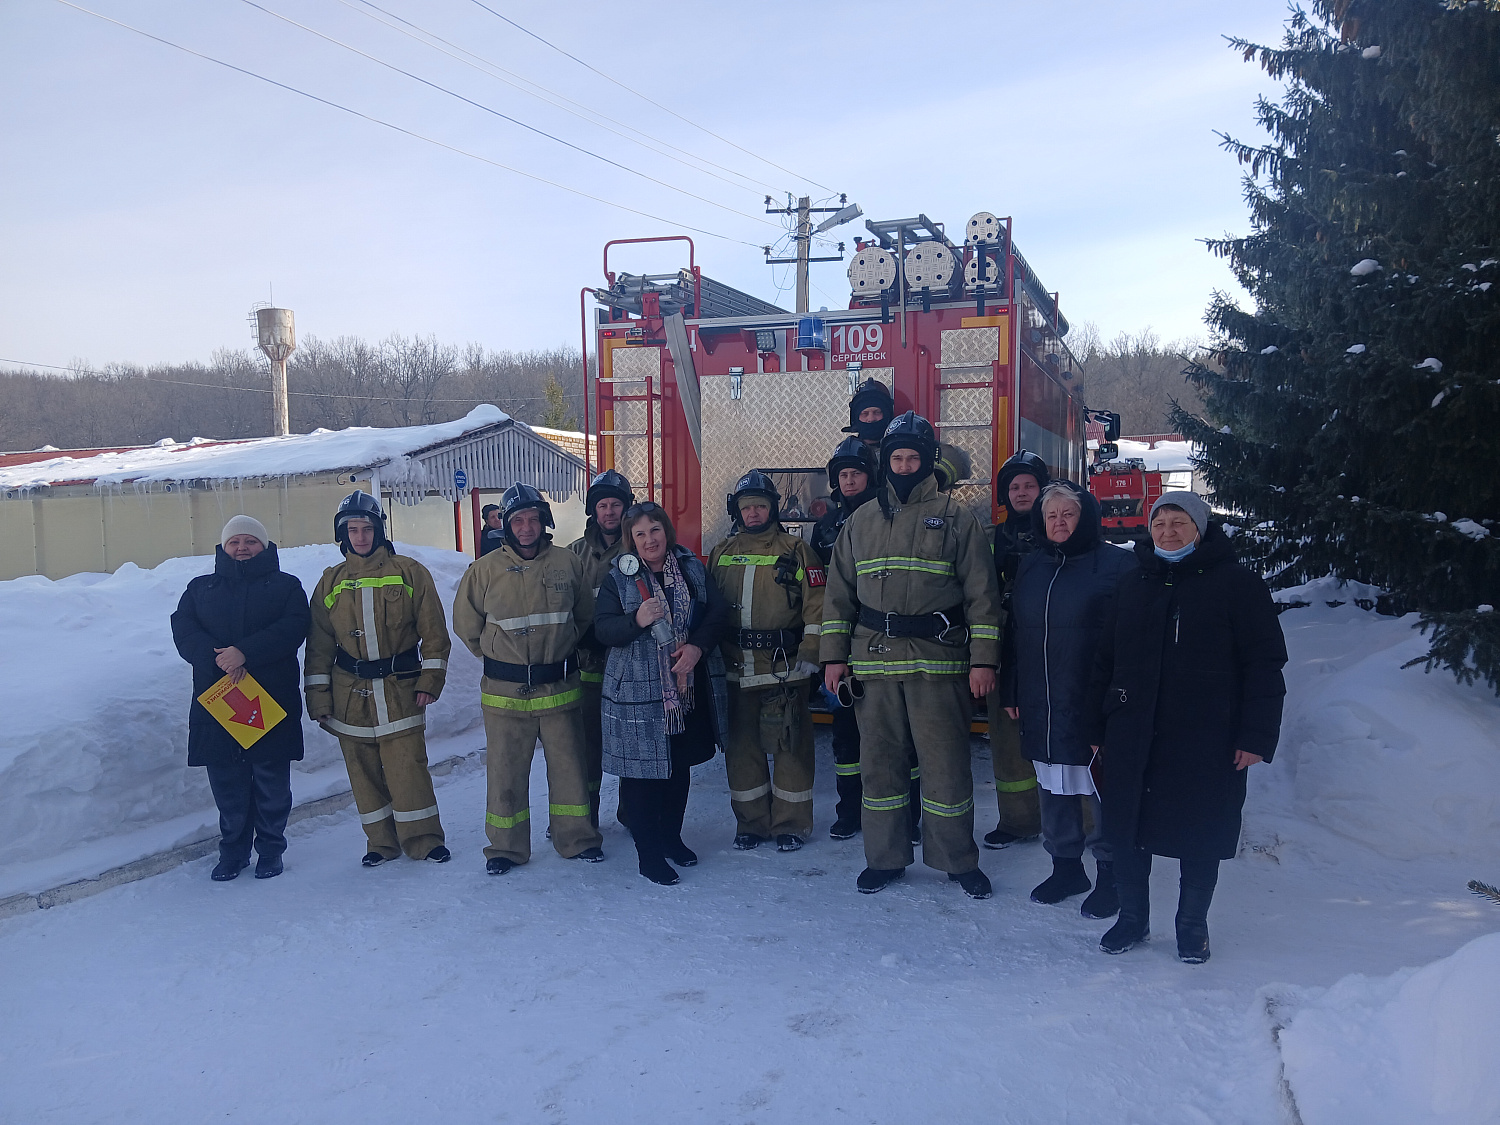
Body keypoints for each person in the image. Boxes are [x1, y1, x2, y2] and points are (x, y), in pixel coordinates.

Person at [1088, 492, 1288, 963]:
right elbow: (1104, 660)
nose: (1168, 532)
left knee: (1202, 829)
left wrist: (1255, 736)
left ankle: (1192, 925)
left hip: (1207, 734)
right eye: (1160, 523)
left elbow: (1264, 664)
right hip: (1133, 731)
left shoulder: (1237, 584)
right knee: (1128, 827)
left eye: (1179, 523)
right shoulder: (1133, 582)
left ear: (1200, 529)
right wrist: (1096, 725)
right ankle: (1132, 918)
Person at [821, 412, 1002, 898]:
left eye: (912, 458)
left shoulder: (956, 518)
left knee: (946, 768)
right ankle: (885, 859)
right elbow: (838, 596)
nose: (904, 466)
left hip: (937, 663)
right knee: (879, 767)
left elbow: (982, 596)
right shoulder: (860, 520)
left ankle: (958, 860)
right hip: (874, 665)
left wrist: (984, 660)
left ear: (927, 462)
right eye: (896, 458)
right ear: (886, 461)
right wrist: (833, 657)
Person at [999, 481, 1135, 918]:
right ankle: (1066, 868)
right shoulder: (1032, 566)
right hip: (1041, 696)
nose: (1059, 522)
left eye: (1068, 514)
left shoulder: (1118, 565)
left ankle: (1112, 875)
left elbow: (1132, 641)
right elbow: (1016, 632)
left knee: (1100, 787)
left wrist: (1120, 698)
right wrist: (1012, 687)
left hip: (1092, 698)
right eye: (1050, 515)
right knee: (1053, 784)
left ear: (1087, 517)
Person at [453, 482, 603, 874]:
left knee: (570, 771)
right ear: (505, 525)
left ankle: (577, 840)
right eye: (517, 520)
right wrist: (502, 659)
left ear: (544, 521)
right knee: (505, 774)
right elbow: (467, 626)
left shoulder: (567, 563)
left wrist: (559, 650)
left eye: (533, 519)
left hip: (560, 690)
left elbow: (583, 616)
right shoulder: (483, 571)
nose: (526, 528)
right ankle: (506, 848)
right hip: (505, 695)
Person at [305, 491, 453, 866]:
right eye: (352, 529)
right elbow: (319, 646)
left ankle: (424, 840)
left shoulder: (409, 572)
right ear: (342, 534)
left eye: (367, 528)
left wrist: (430, 680)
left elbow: (435, 632)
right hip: (349, 695)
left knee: (408, 770)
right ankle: (381, 843)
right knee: (363, 773)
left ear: (379, 531)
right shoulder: (330, 582)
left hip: (399, 689)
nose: (360, 536)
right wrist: (319, 697)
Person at [595, 502, 729, 885]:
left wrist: (697, 648)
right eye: (640, 534)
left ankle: (672, 838)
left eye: (654, 530)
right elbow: (603, 629)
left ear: (666, 532)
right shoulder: (618, 579)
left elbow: (717, 613)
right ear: (631, 540)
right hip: (636, 693)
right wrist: (636, 620)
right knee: (641, 775)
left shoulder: (690, 569)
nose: (649, 540)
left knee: (678, 766)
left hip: (683, 689)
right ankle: (649, 855)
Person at [171, 516, 310, 881]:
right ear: (224, 546)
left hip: (269, 700)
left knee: (271, 784)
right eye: (235, 541)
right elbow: (184, 629)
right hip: (219, 700)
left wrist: (245, 652)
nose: (242, 547)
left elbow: (293, 627)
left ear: (263, 546)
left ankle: (270, 851)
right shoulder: (200, 589)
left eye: (250, 541)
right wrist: (217, 657)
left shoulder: (286, 587)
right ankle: (233, 853)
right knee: (227, 785)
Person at [708, 470, 826, 852]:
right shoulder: (721, 552)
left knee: (790, 748)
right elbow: (707, 608)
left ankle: (791, 823)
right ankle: (752, 823)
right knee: (742, 752)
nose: (753, 513)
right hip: (735, 668)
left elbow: (818, 606)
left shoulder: (797, 550)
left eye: (760, 506)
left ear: (773, 509)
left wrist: (811, 652)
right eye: (747, 508)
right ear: (737, 512)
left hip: (784, 669)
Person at [810, 437, 921, 844]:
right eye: (843, 475)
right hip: (843, 644)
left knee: (898, 736)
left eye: (856, 473)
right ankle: (849, 812)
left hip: (884, 642)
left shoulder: (890, 515)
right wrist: (827, 651)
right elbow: (821, 594)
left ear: (869, 477)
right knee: (846, 735)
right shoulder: (825, 528)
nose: (850, 481)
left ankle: (908, 817)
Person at [984, 450, 1051, 850]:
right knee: (1007, 736)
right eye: (1014, 487)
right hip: (1006, 645)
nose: (1022, 492)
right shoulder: (994, 537)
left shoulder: (1061, 529)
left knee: (1066, 734)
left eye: (1029, 485)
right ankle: (1019, 821)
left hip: (1053, 644)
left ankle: (1085, 821)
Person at [568, 469, 635, 826]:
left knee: (631, 741)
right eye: (602, 505)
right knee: (586, 746)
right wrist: (578, 637)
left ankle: (633, 812)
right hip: (586, 667)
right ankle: (585, 817)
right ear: (593, 510)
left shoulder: (639, 547)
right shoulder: (572, 554)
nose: (609, 512)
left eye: (616, 505)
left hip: (629, 667)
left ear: (627, 508)